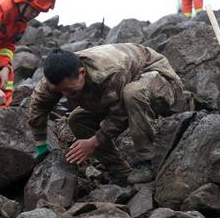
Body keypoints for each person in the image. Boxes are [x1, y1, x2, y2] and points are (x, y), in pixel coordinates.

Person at [28, 44, 189, 186]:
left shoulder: (109, 72)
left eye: (70, 90)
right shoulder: (56, 78)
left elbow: (119, 114)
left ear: (82, 72)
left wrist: (94, 141)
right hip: (116, 91)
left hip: (161, 81)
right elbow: (38, 106)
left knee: (132, 94)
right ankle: (120, 171)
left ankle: (146, 162)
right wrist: (41, 145)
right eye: (60, 92)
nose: (66, 95)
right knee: (77, 120)